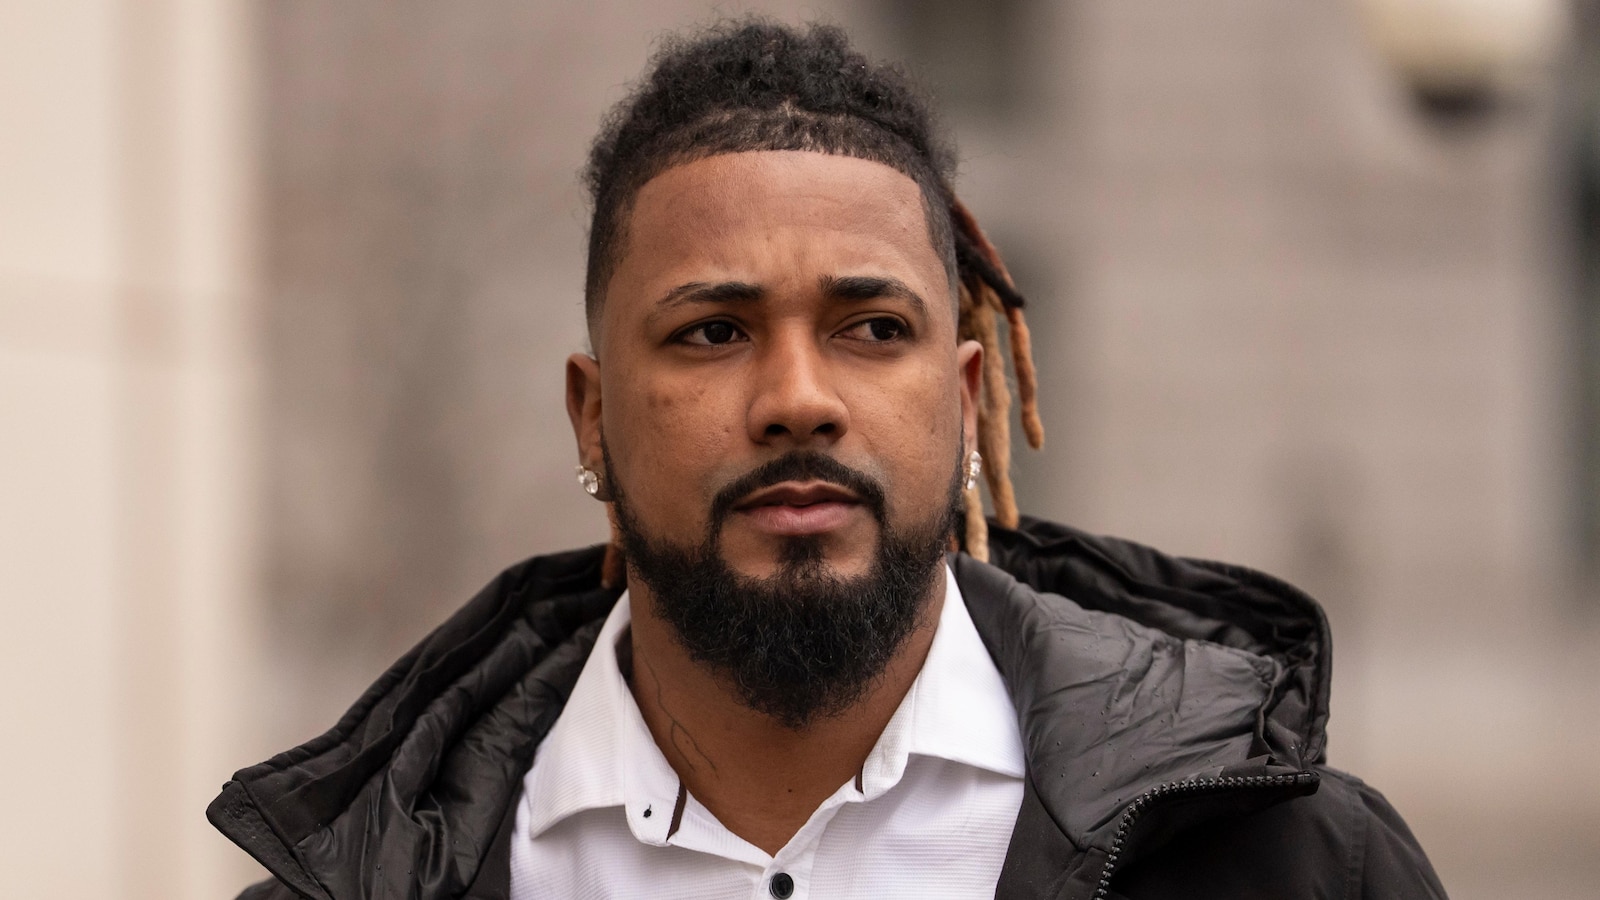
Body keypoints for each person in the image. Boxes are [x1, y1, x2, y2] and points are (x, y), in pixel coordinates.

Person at [209, 20, 1447, 900]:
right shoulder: (374, 881)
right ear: (591, 419)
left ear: (965, 399)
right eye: (713, 332)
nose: (798, 400)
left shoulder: (1295, 866)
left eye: (872, 328)